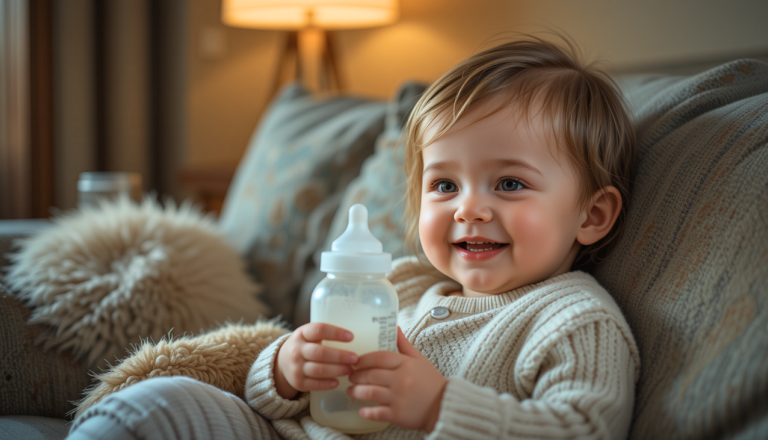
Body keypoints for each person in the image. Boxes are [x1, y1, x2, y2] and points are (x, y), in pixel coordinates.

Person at [69, 36, 639, 440]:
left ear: (591, 215)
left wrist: (440, 406)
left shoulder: (575, 320)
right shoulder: (405, 284)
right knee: (158, 404)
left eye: (509, 183)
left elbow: (585, 428)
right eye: (444, 184)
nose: (468, 209)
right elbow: (267, 396)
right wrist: (288, 370)